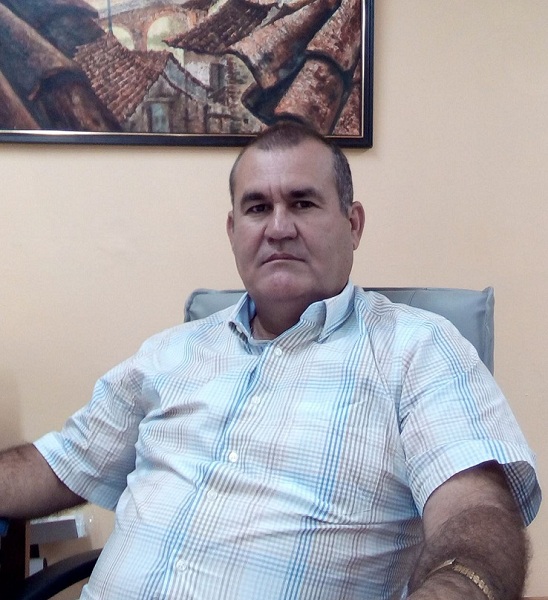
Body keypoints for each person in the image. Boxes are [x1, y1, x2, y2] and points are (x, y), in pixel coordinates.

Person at [0, 122, 541, 599]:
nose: (278, 227)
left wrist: (454, 587)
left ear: (353, 224)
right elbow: (60, 463)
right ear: (233, 230)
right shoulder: (171, 352)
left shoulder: (417, 348)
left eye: (302, 203)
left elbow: (476, 513)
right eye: (257, 207)